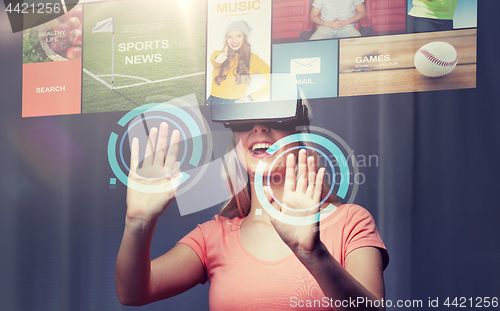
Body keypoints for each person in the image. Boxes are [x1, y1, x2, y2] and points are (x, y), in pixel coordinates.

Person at [115, 117, 389, 310]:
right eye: (244, 122)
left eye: (277, 118)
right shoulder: (214, 236)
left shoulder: (350, 221)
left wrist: (313, 254)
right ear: (235, 141)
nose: (259, 127)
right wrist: (137, 223)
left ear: (300, 135)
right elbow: (133, 293)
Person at [207, 20, 270, 105]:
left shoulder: (253, 59)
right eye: (229, 37)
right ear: (226, 39)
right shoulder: (218, 54)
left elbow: (276, 80)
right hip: (213, 102)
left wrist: (252, 98)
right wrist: (218, 57)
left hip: (235, 104)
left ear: (245, 38)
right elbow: (214, 60)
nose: (234, 40)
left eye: (238, 36)